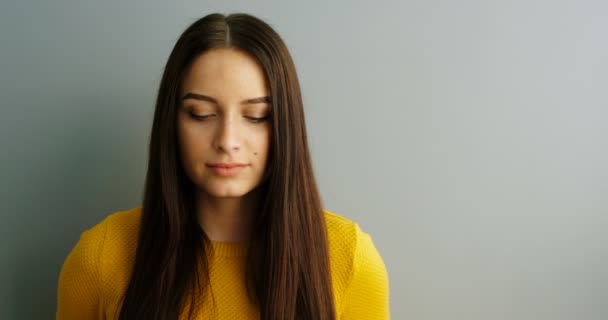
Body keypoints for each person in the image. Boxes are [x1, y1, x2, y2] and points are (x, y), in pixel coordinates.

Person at [56, 12, 389, 320]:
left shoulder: (350, 261)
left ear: (285, 125)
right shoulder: (100, 258)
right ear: (171, 122)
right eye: (201, 114)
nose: (228, 140)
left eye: (256, 117)